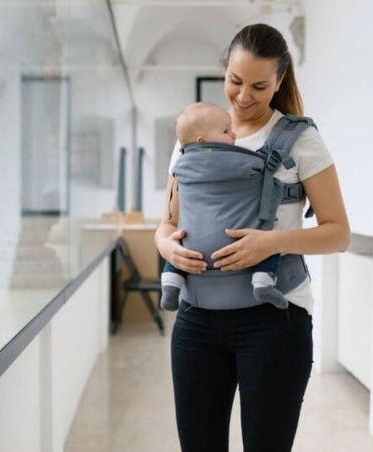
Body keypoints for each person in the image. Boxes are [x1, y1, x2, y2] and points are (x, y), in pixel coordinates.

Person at [155, 23, 350, 452]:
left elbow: (338, 233)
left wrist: (270, 243)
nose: (244, 97)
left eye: (260, 86)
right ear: (224, 72)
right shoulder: (193, 138)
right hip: (197, 318)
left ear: (279, 81)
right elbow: (167, 223)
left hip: (274, 320)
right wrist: (166, 246)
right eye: (235, 81)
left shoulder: (300, 140)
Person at [161, 101, 288, 312]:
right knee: (270, 247)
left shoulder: (180, 164)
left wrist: (166, 246)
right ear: (202, 140)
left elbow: (168, 220)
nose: (234, 136)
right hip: (239, 244)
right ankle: (262, 281)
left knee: (179, 243)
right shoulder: (245, 161)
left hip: (192, 249)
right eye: (226, 131)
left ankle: (170, 283)